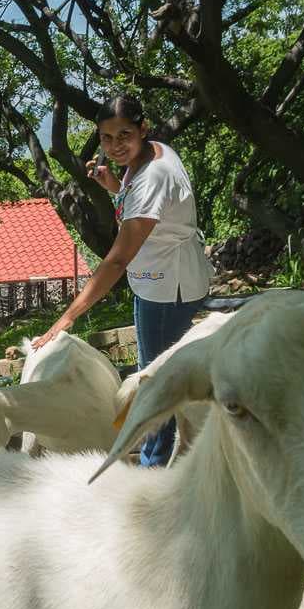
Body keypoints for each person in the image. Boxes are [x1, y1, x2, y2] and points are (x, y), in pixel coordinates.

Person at [34, 95, 213, 467]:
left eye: (124, 135)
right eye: (106, 138)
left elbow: (116, 261)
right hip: (155, 279)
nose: (115, 146)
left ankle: (152, 466)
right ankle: (169, 455)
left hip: (167, 287)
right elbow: (140, 204)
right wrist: (112, 183)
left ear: (143, 129)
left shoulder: (153, 177)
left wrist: (68, 317)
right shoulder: (147, 154)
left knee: (151, 380)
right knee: (153, 372)